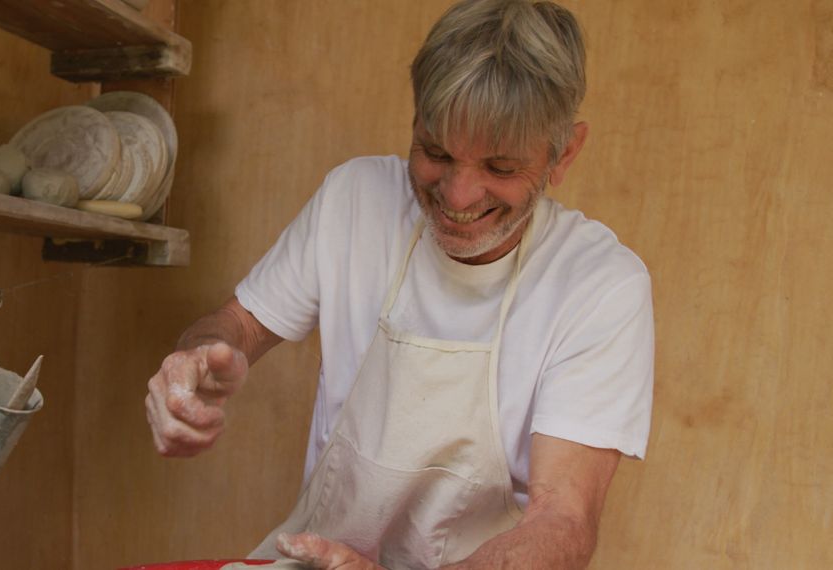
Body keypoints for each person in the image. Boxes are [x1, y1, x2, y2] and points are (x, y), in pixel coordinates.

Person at [144, 0, 654, 568]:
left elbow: (564, 521)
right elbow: (235, 325)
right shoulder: (354, 200)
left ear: (564, 155)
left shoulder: (600, 285)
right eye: (436, 152)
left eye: (500, 169)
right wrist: (196, 360)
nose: (458, 197)